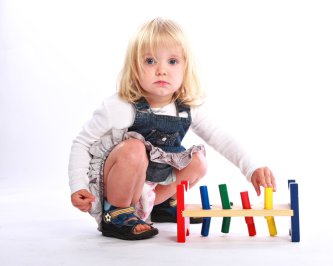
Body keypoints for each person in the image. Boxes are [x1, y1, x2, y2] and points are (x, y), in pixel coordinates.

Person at [68, 17, 277, 241]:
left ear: (186, 67)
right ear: (134, 67)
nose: (161, 70)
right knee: (134, 149)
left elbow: (220, 137)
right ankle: (116, 212)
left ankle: (160, 205)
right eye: (150, 61)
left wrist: (251, 168)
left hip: (152, 186)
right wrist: (78, 185)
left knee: (198, 162)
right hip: (121, 185)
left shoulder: (186, 108)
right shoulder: (120, 106)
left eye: (172, 61)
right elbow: (82, 142)